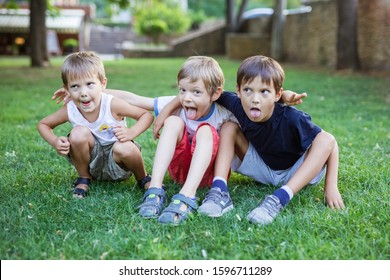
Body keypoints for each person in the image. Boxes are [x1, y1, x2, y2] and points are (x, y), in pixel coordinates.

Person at [198, 55, 345, 225]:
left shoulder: (292, 118)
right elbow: (201, 92)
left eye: (264, 92)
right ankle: (219, 191)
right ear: (238, 91)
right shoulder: (237, 104)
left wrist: (331, 186)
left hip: (295, 172)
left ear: (277, 94)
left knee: (325, 138)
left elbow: (330, 144)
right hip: (262, 167)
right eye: (248, 90)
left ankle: (279, 198)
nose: (255, 99)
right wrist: (166, 111)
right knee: (229, 127)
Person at [37, 51, 154, 198]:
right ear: (66, 89)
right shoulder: (70, 109)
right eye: (75, 87)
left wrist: (131, 132)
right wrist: (55, 141)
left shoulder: (112, 104)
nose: (83, 93)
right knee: (78, 133)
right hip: (91, 162)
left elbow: (146, 115)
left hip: (118, 161)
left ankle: (143, 178)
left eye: (90, 84)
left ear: (103, 83)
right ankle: (84, 178)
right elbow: (43, 124)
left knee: (124, 146)